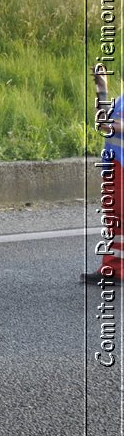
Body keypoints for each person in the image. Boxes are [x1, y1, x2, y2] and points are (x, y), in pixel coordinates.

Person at [87, 66, 123, 283]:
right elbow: (103, 122)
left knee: (119, 218)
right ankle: (112, 268)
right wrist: (102, 90)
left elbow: (109, 125)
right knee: (114, 220)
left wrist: (111, 124)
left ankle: (116, 269)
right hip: (114, 166)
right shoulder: (120, 101)